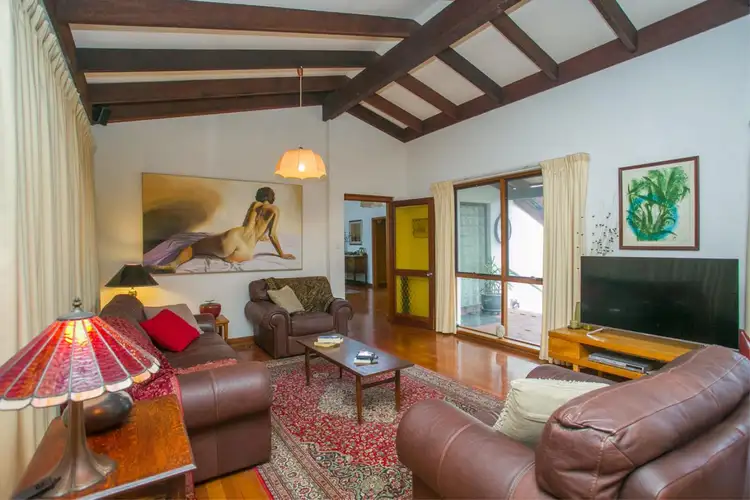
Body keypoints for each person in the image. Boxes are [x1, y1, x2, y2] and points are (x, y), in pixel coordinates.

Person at [156, 186, 295, 271]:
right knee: (229, 255)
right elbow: (272, 235)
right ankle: (229, 258)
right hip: (246, 252)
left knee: (194, 247)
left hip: (235, 237)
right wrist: (281, 254)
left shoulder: (255, 205)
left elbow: (247, 225)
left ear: (259, 196)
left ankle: (174, 264)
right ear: (272, 198)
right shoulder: (274, 210)